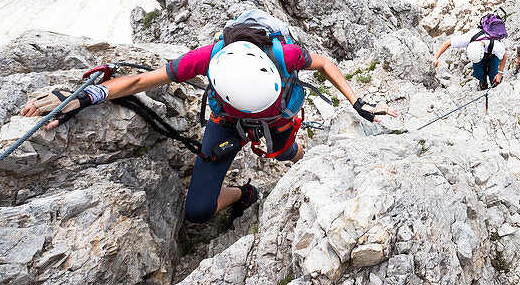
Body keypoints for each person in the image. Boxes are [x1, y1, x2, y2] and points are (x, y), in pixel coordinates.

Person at [22, 21, 396, 224]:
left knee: (284, 151)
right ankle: (246, 194)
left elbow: (326, 64)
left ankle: (298, 157)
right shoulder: (208, 58)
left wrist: (359, 102)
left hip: (276, 119)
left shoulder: (285, 55)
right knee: (198, 211)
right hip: (226, 123)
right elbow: (139, 81)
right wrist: (81, 97)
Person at [432, 27, 507, 90]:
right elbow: (447, 43)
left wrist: (499, 74)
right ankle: (482, 81)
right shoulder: (468, 38)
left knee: (493, 75)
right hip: (478, 53)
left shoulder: (496, 46)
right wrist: (436, 57)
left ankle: (495, 86)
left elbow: (504, 56)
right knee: (478, 72)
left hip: (492, 54)